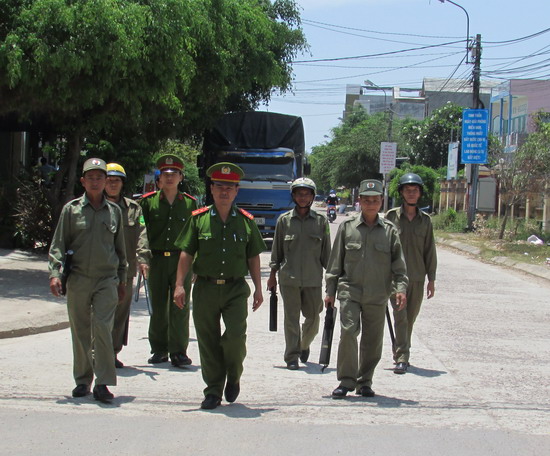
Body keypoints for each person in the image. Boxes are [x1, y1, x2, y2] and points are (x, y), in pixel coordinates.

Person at [174, 162, 265, 410]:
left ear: (237, 191)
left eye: (229, 187)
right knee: (208, 340)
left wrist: (258, 288)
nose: (224, 191)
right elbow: (186, 253)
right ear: (211, 189)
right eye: (219, 186)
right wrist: (179, 285)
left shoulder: (246, 222)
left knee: (235, 337)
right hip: (205, 287)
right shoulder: (198, 220)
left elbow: (253, 256)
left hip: (235, 289)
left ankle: (233, 375)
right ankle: (213, 390)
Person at [48, 158, 127, 403]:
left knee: (103, 328)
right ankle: (83, 380)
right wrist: (54, 274)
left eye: (99, 177)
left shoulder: (114, 212)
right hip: (79, 278)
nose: (95, 181)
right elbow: (58, 246)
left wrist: (122, 280)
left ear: (106, 181)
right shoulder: (71, 210)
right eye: (90, 177)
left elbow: (120, 250)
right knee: (80, 329)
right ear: (83, 181)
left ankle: (103, 382)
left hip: (106, 279)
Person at [325, 179, 408, 399]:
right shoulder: (347, 227)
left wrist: (401, 288)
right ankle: (346, 381)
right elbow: (335, 263)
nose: (371, 204)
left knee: (372, 340)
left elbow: (399, 266)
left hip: (377, 294)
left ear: (381, 202)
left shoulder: (390, 231)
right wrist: (330, 291)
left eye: (375, 200)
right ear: (359, 201)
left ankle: (365, 381)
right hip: (349, 291)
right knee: (349, 333)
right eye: (366, 200)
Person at [267, 177, 331, 370]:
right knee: (291, 319)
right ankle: (292, 356)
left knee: (313, 317)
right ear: (293, 196)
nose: (303, 198)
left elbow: (327, 255)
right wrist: (272, 276)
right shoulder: (284, 221)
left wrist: (333, 281)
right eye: (299, 194)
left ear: (312, 196)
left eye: (307, 194)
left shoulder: (321, 221)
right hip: (289, 279)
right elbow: (276, 251)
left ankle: (303, 345)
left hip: (313, 279)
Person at [139, 154, 197, 368]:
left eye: (174, 174)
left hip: (181, 260)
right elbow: (141, 231)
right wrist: (142, 258)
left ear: (181, 177)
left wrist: (196, 264)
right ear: (159, 178)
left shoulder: (190, 204)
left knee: (180, 306)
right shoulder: (147, 203)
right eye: (165, 174)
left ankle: (179, 351)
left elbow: (196, 236)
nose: (169, 178)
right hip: (156, 260)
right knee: (158, 306)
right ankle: (159, 349)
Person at [385, 173, 437, 374]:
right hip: (395, 279)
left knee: (410, 318)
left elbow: (429, 251)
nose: (411, 193)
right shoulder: (390, 217)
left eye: (415, 190)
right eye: (408, 190)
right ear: (401, 193)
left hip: (417, 277)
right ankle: (402, 357)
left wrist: (431, 279)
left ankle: (400, 349)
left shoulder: (426, 221)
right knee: (401, 317)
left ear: (420, 194)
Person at [104, 163, 151, 368]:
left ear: (122, 183)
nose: (112, 184)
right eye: (109, 180)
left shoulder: (134, 208)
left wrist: (143, 259)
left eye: (117, 180)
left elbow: (142, 232)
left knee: (120, 315)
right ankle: (97, 353)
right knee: (100, 313)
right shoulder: (95, 205)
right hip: (100, 270)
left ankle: (112, 353)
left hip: (126, 271)